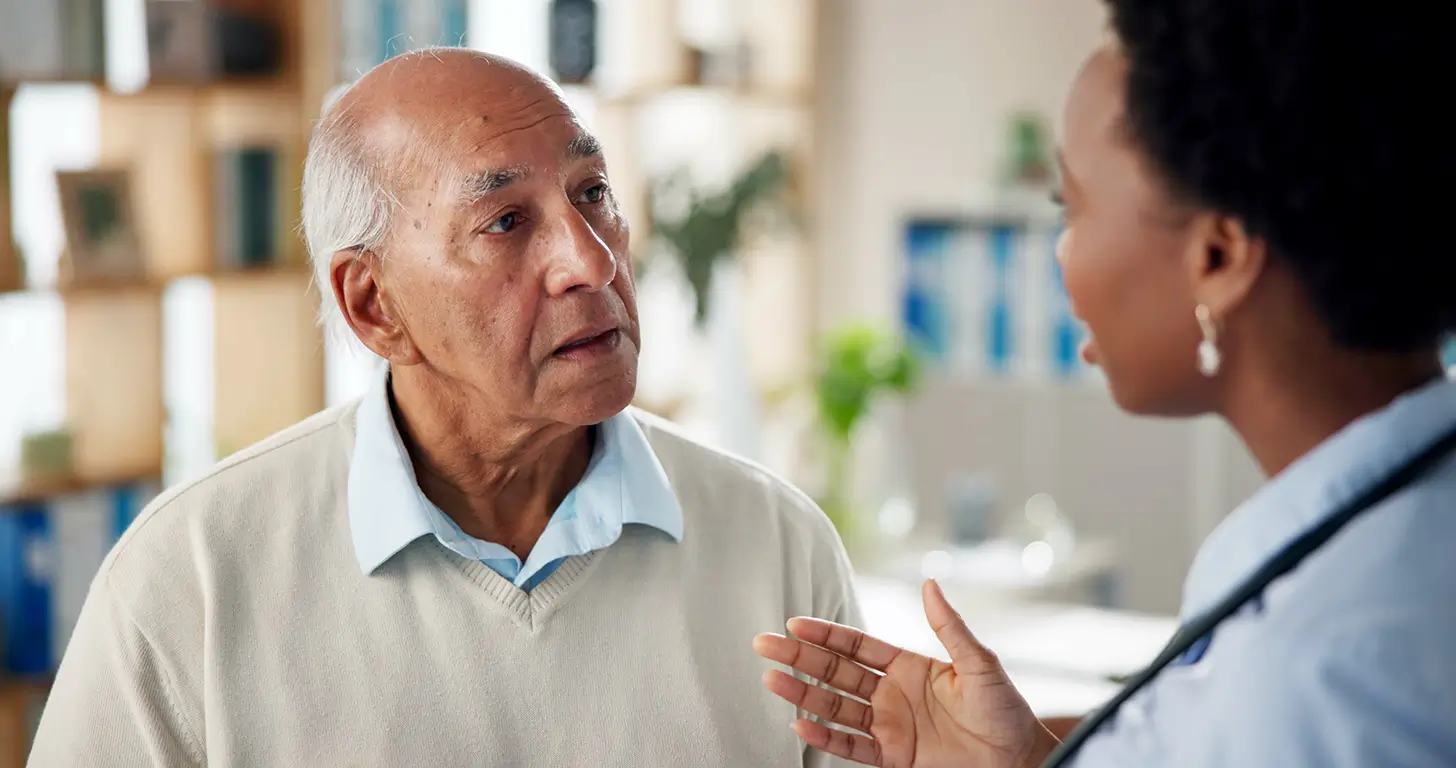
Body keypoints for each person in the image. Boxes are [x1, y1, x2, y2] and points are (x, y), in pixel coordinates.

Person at [31, 49, 860, 766]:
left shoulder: (778, 544)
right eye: (505, 221)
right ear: (375, 307)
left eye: (593, 191)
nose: (591, 259)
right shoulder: (191, 578)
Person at [755, 0, 1456, 765]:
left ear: (1217, 259)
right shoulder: (1381, 555)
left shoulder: (1326, 668)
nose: (1059, 255)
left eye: (1073, 208)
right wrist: (1024, 756)